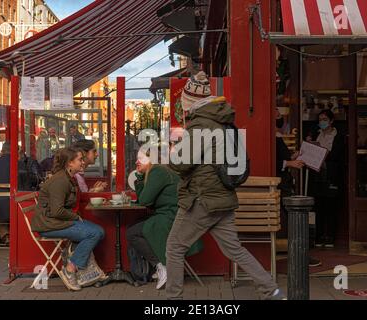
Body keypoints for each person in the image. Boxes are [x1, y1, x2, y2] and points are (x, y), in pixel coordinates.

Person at [166, 71, 285, 300]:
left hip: (203, 199)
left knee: (174, 247)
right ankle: (272, 290)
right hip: (223, 197)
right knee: (235, 249)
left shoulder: (201, 125)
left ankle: (173, 300)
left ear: (190, 102)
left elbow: (181, 164)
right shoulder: (222, 121)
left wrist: (173, 152)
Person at [126, 148, 203, 290]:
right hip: (171, 216)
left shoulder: (157, 172)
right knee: (135, 228)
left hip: (171, 218)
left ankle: (162, 266)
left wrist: (140, 178)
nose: (137, 162)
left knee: (132, 233)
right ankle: (162, 265)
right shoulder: (157, 172)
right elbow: (145, 200)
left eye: (141, 158)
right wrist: (141, 177)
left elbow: (144, 200)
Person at [31, 147, 105, 291]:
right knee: (94, 233)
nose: (83, 162)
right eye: (80, 160)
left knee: (99, 231)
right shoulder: (60, 181)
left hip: (58, 221)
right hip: (49, 225)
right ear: (70, 163)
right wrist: (76, 217)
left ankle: (71, 253)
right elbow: (57, 210)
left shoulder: (68, 178)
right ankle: (70, 269)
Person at [275, 109, 321, 267]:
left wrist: (294, 156)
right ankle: (301, 255)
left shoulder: (277, 136)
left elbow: (282, 157)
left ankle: (300, 253)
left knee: (292, 216)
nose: (279, 117)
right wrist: (289, 163)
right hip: (279, 183)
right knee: (294, 216)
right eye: (276, 114)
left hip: (284, 182)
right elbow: (271, 161)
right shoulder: (270, 137)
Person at [307, 109, 344, 248]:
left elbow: (336, 155)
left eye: (324, 119)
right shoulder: (317, 134)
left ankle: (330, 237)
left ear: (331, 121)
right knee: (319, 206)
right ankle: (318, 236)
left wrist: (324, 153)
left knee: (331, 207)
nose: (322, 122)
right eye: (320, 120)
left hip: (331, 174)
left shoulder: (338, 136)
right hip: (317, 173)